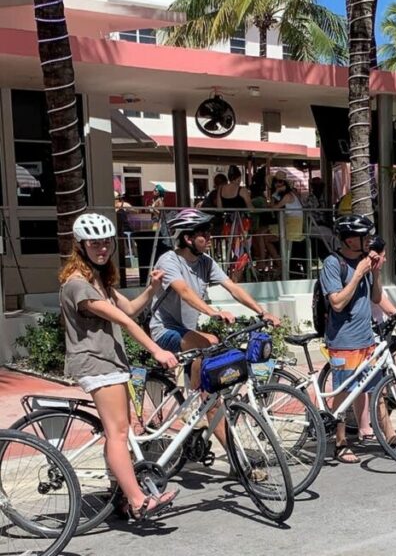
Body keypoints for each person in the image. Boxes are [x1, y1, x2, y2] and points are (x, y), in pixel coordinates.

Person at [61, 214, 179, 519]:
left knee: (119, 432)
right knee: (118, 433)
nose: (102, 249)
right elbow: (125, 321)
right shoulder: (77, 285)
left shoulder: (97, 280)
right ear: (80, 245)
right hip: (96, 363)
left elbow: (130, 309)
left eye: (106, 243)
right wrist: (157, 350)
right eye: (94, 243)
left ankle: (122, 497)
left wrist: (151, 288)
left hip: (111, 362)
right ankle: (138, 500)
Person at [150, 209, 281, 456]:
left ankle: (235, 459)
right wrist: (212, 312)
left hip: (189, 333)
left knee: (213, 388)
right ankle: (193, 402)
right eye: (204, 234)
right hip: (164, 330)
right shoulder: (169, 260)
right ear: (188, 238)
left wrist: (262, 312)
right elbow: (183, 291)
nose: (210, 238)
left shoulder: (205, 262)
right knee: (208, 343)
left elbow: (232, 287)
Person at [319, 215, 396, 462]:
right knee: (344, 393)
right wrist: (358, 273)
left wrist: (375, 273)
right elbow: (337, 302)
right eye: (365, 237)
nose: (369, 241)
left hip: (366, 338)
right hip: (343, 341)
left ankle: (390, 436)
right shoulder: (333, 263)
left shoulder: (364, 262)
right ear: (350, 240)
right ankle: (340, 442)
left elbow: (376, 297)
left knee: (377, 389)